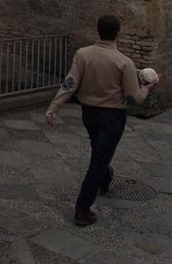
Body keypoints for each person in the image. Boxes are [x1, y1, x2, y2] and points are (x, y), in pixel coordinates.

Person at [44, 14, 158, 227]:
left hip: (89, 113)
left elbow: (70, 83)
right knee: (98, 161)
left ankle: (106, 175)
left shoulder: (83, 54)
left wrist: (54, 107)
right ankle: (82, 209)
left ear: (98, 30)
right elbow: (134, 98)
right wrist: (147, 87)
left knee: (99, 152)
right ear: (118, 33)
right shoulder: (124, 63)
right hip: (112, 117)